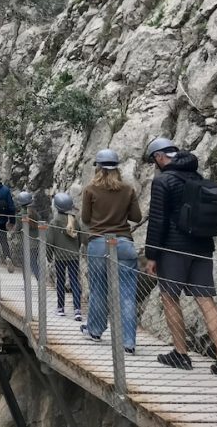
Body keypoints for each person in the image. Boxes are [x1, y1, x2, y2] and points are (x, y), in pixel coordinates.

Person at [145, 137, 217, 377]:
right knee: (205, 299)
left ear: (160, 157)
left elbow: (158, 221)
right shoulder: (197, 178)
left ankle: (181, 354)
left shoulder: (163, 181)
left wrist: (152, 255)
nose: (155, 164)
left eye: (154, 160)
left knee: (170, 297)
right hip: (202, 247)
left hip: (173, 249)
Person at [79, 149, 142, 355]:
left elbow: (86, 219)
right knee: (127, 294)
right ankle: (129, 342)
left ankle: (95, 331)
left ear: (98, 167)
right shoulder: (128, 189)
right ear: (117, 167)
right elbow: (136, 217)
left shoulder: (90, 190)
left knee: (98, 288)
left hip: (98, 243)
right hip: (123, 242)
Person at [47, 192, 82, 321]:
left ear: (56, 207)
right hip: (73, 256)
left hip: (60, 257)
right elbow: (81, 237)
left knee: (60, 281)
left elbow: (49, 242)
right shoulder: (75, 221)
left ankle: (61, 308)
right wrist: (76, 250)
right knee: (74, 281)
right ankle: (77, 309)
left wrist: (49, 256)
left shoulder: (54, 222)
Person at [16, 191, 41, 279]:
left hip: (26, 243)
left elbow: (17, 230)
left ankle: (28, 284)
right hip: (37, 242)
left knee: (27, 264)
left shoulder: (20, 215)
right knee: (35, 263)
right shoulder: (36, 214)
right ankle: (39, 281)